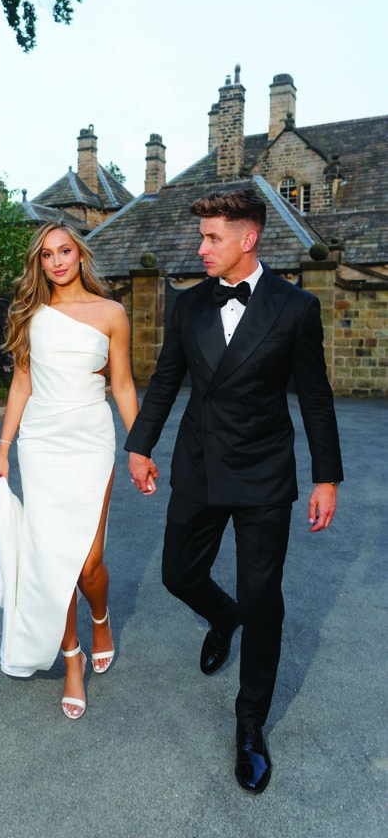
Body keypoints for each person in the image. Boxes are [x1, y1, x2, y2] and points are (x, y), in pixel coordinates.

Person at [126, 188, 343, 793]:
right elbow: (167, 377)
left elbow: (317, 399)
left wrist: (326, 477)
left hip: (263, 473)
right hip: (197, 464)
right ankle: (224, 618)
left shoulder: (295, 307)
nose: (201, 248)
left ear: (249, 239)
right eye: (201, 236)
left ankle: (250, 725)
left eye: (212, 237)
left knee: (263, 595)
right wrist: (141, 446)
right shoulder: (189, 304)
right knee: (177, 574)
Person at [0, 220, 139, 720]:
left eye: (65, 251)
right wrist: (2, 448)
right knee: (55, 564)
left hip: (91, 442)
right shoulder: (30, 315)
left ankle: (101, 616)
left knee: (89, 563)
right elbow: (21, 387)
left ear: (79, 255)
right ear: (40, 262)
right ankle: (71, 659)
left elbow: (120, 385)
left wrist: (140, 447)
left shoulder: (113, 313)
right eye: (47, 254)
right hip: (41, 445)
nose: (56, 261)